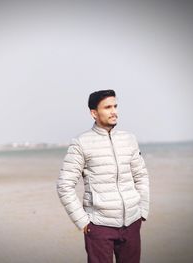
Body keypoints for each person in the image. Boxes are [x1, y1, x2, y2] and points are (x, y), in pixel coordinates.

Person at [56, 89, 149, 263]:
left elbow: (141, 175)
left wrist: (142, 210)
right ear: (94, 113)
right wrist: (83, 222)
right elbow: (64, 185)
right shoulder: (81, 143)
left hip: (132, 223)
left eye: (115, 106)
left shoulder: (129, 139)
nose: (114, 111)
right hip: (99, 226)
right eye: (107, 107)